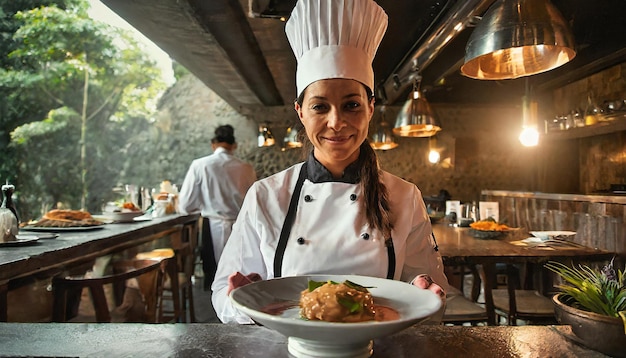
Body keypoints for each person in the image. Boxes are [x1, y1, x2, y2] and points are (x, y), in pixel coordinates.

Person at [211, 0, 448, 323]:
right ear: (300, 112)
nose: (336, 122)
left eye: (351, 105)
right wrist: (243, 301)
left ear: (370, 107)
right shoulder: (265, 196)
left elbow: (429, 291)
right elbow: (223, 298)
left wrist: (425, 291)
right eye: (320, 107)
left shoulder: (405, 196)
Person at [178, 124, 257, 288]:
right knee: (241, 277)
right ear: (234, 146)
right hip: (244, 227)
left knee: (218, 280)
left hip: (213, 226)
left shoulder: (200, 165)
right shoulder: (247, 168)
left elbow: (185, 205)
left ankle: (217, 309)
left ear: (213, 144)